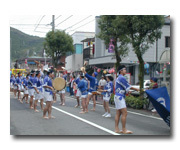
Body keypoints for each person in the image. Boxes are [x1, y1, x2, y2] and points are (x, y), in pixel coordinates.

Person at [114, 65, 139, 134]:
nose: (125, 70)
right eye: (124, 69)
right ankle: (124, 129)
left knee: (118, 113)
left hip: (117, 96)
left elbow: (124, 88)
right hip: (120, 97)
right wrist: (136, 89)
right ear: (121, 71)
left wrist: (128, 91)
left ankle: (116, 129)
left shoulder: (118, 78)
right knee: (124, 113)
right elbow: (128, 86)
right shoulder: (122, 78)